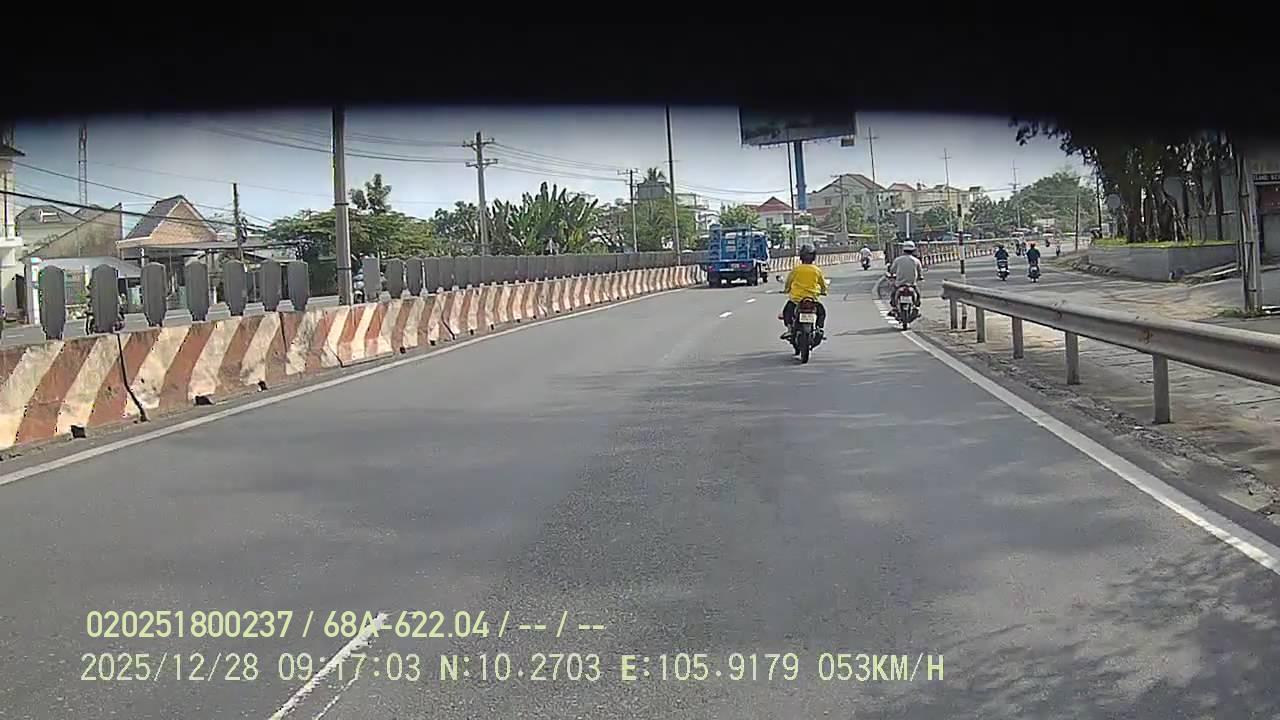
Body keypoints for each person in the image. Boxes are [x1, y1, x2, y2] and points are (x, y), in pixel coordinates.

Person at [780, 244, 828, 340]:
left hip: (796, 300)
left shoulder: (796, 269)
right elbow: (822, 284)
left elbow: (789, 282)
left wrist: (786, 290)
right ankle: (819, 328)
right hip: (812, 299)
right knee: (822, 312)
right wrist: (824, 291)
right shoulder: (817, 270)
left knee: (787, 311)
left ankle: (789, 329)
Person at [888, 240, 925, 314]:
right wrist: (920, 277)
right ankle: (916, 308)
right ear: (913, 250)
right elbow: (920, 272)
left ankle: (894, 308)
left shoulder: (898, 260)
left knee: (893, 294)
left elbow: (892, 270)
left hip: (899, 284)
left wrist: (892, 276)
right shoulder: (916, 261)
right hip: (912, 284)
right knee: (918, 295)